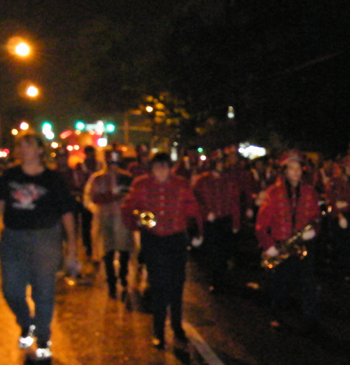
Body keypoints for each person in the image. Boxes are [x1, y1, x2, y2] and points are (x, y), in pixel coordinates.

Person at [0, 133, 79, 360]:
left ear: (40, 150)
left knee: (43, 292)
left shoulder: (53, 179)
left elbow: (67, 212)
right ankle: (26, 323)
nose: (23, 148)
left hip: (45, 240)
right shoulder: (9, 176)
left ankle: (43, 338)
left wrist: (72, 248)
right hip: (13, 239)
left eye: (28, 144)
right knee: (11, 290)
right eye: (20, 145)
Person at [121, 152, 203, 349]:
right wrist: (138, 221)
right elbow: (128, 208)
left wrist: (196, 229)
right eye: (157, 167)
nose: (161, 172)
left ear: (170, 168)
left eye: (164, 167)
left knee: (177, 284)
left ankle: (177, 326)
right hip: (153, 239)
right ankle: (158, 330)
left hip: (176, 239)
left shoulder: (181, 184)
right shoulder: (141, 184)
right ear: (151, 169)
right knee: (158, 286)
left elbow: (193, 208)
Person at [255, 150, 322, 332]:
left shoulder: (309, 191)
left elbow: (316, 217)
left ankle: (310, 318)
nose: (296, 172)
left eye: (299, 168)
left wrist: (314, 231)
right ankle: (277, 315)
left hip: (303, 245)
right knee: (281, 285)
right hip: (281, 246)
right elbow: (261, 224)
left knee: (308, 283)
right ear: (284, 171)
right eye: (291, 169)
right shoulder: (273, 193)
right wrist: (269, 246)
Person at [84, 149, 136, 298]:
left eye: (115, 162)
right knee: (108, 250)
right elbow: (91, 197)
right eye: (110, 162)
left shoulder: (126, 178)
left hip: (122, 218)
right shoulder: (98, 178)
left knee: (124, 248)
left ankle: (123, 276)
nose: (112, 165)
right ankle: (111, 281)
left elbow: (133, 196)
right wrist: (109, 197)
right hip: (104, 217)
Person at [192, 150, 241, 293]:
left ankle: (222, 279)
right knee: (213, 252)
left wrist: (236, 222)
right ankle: (215, 280)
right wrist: (206, 213)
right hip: (210, 222)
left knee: (224, 251)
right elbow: (196, 200)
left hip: (225, 220)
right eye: (218, 162)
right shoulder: (202, 181)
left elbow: (234, 202)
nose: (220, 165)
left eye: (221, 162)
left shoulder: (229, 180)